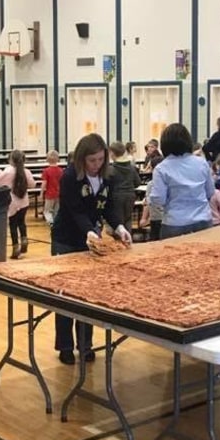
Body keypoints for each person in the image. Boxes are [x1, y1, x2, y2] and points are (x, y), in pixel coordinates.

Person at [51, 133, 132, 364]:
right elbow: (74, 209)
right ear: (82, 159)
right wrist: (88, 230)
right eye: (91, 161)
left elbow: (108, 208)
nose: (96, 165)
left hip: (90, 239)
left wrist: (119, 227)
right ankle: (65, 346)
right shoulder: (69, 177)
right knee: (65, 295)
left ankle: (85, 345)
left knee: (87, 295)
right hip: (66, 238)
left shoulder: (108, 177)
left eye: (100, 160)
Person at [148, 123, 215, 239]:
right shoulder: (202, 163)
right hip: (203, 220)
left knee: (173, 256)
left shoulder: (161, 168)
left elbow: (158, 199)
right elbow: (210, 192)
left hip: (174, 222)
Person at [0, 150, 35, 259]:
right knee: (22, 222)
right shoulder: (26, 172)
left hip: (12, 203)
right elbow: (32, 185)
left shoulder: (8, 171)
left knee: (13, 225)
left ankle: (16, 247)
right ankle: (24, 238)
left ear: (11, 159)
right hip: (24, 201)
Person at [108, 140, 141, 233]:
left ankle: (117, 244)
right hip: (130, 196)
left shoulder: (112, 169)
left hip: (116, 197)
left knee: (117, 222)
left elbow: (107, 185)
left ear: (113, 153)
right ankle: (128, 240)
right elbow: (138, 182)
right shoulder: (131, 168)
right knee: (128, 220)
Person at [40, 149, 64, 225]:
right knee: (57, 211)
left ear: (47, 159)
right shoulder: (61, 170)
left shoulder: (46, 171)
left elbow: (44, 183)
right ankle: (56, 223)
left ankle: (51, 223)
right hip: (59, 193)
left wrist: (41, 193)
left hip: (49, 194)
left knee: (47, 211)